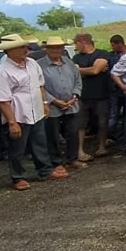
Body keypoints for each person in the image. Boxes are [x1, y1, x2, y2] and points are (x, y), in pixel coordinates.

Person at [0, 35, 70, 191]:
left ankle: (45, 170)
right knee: (18, 147)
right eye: (21, 47)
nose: (25, 50)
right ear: (9, 51)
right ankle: (18, 176)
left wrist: (44, 103)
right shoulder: (2, 72)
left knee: (39, 142)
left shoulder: (32, 64)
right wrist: (12, 122)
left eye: (25, 47)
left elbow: (39, 85)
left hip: (36, 110)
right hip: (19, 113)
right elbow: (2, 100)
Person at [38, 36, 85, 172]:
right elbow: (39, 86)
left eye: (58, 47)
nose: (56, 50)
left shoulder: (69, 63)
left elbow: (78, 81)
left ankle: (72, 159)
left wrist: (74, 96)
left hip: (71, 104)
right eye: (52, 47)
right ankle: (56, 161)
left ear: (63, 48)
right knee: (52, 135)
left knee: (73, 132)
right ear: (46, 49)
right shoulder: (39, 65)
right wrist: (54, 101)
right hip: (52, 106)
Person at [72, 33, 112, 161]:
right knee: (80, 124)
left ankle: (101, 147)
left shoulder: (102, 53)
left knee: (102, 122)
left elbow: (95, 70)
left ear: (83, 42)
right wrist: (92, 69)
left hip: (101, 95)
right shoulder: (76, 57)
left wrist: (80, 70)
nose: (75, 46)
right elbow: (76, 72)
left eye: (76, 43)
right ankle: (80, 151)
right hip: (82, 96)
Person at [107, 34, 126, 143]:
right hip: (115, 90)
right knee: (113, 114)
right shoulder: (111, 56)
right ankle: (111, 136)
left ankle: (125, 135)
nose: (112, 48)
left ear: (119, 44)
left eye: (113, 45)